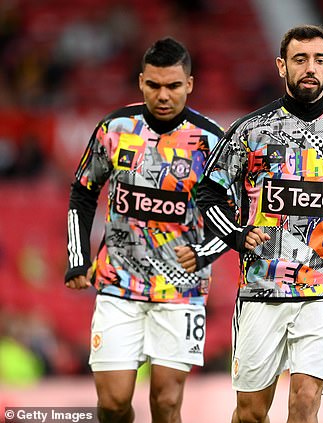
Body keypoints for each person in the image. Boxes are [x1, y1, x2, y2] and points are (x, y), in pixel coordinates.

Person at [195, 24, 323, 423]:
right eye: (300, 59)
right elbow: (208, 193)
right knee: (250, 412)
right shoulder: (250, 131)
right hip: (262, 284)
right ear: (281, 65)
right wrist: (235, 234)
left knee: (304, 401)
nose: (309, 68)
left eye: (318, 60)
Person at [64, 37, 227, 423]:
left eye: (173, 85)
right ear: (140, 82)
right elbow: (83, 191)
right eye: (154, 85)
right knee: (114, 401)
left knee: (167, 403)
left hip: (182, 289)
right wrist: (77, 258)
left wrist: (205, 253)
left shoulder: (212, 141)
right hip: (118, 282)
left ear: (190, 84)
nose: (163, 95)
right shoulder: (115, 128)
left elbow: (237, 213)